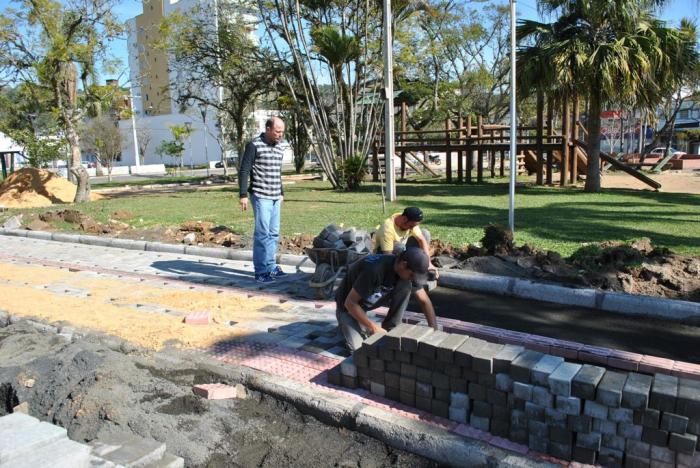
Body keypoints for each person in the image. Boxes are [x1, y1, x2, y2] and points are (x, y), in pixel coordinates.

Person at [335, 247, 437, 352]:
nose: (413, 278)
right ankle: (344, 322)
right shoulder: (374, 270)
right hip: (347, 306)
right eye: (412, 275)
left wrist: (434, 332)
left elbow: (425, 302)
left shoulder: (404, 273)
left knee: (406, 285)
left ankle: (392, 327)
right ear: (403, 264)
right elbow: (350, 303)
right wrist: (374, 328)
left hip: (364, 303)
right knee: (359, 349)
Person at [239, 116, 287, 283]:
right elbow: (244, 170)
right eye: (277, 131)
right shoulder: (254, 145)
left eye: (282, 131)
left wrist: (282, 192)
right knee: (262, 234)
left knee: (273, 233)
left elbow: (277, 172)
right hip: (260, 196)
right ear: (268, 129)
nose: (280, 134)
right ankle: (261, 271)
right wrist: (243, 195)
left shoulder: (280, 146)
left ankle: (271, 266)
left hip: (275, 197)